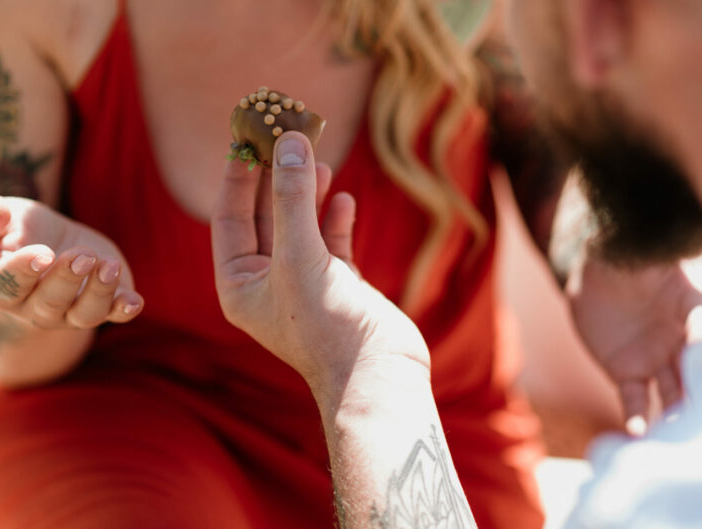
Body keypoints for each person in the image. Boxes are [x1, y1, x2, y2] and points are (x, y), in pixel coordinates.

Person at [0, 0, 695, 528]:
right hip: (141, 427)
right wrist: (46, 291)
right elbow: (18, 354)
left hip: (428, 422)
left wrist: (593, 249)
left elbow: (546, 141)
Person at [209, 0, 702, 527]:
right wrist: (590, 245)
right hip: (189, 443)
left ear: (596, 27)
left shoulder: (647, 498)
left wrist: (365, 368)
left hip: (445, 430)